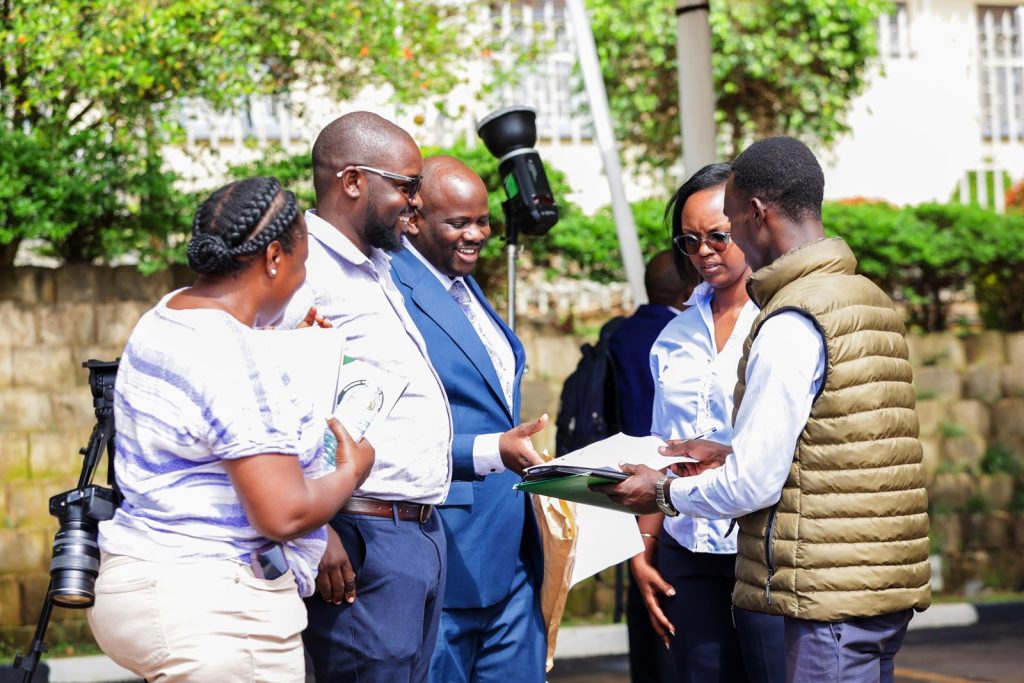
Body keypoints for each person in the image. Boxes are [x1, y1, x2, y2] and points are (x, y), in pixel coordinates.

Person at [599, 137, 931, 683]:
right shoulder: (864, 297)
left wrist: (660, 492)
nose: (706, 249)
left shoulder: (790, 320)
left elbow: (753, 483)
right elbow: (835, 448)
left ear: (754, 216)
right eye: (690, 240)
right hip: (858, 582)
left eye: (724, 226)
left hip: (811, 582)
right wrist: (722, 455)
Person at [87, 177, 376, 682]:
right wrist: (351, 471)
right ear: (272, 259)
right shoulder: (234, 357)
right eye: (302, 265)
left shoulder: (168, 316)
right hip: (214, 610)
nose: (302, 280)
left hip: (142, 575)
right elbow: (283, 514)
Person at [280, 112, 453, 683]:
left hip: (416, 530)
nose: (417, 203)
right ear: (353, 181)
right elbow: (272, 407)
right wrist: (313, 530)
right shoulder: (302, 270)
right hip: (359, 533)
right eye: (406, 186)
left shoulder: (378, 264)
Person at [390, 155, 548, 683]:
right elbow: (390, 428)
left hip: (512, 554)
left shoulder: (466, 287)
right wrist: (490, 450)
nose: (476, 234)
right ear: (413, 220)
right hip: (447, 548)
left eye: (482, 220)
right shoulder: (390, 294)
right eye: (458, 222)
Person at [628, 163, 784, 683]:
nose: (704, 251)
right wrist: (643, 550)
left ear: (747, 224)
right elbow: (661, 448)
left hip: (763, 546)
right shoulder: (672, 337)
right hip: (686, 545)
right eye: (690, 240)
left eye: (718, 235)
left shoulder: (780, 324)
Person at [606, 249, 694, 683]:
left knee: (642, 610)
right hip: (667, 484)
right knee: (674, 609)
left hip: (624, 479)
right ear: (687, 289)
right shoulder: (684, 334)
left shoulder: (621, 333)